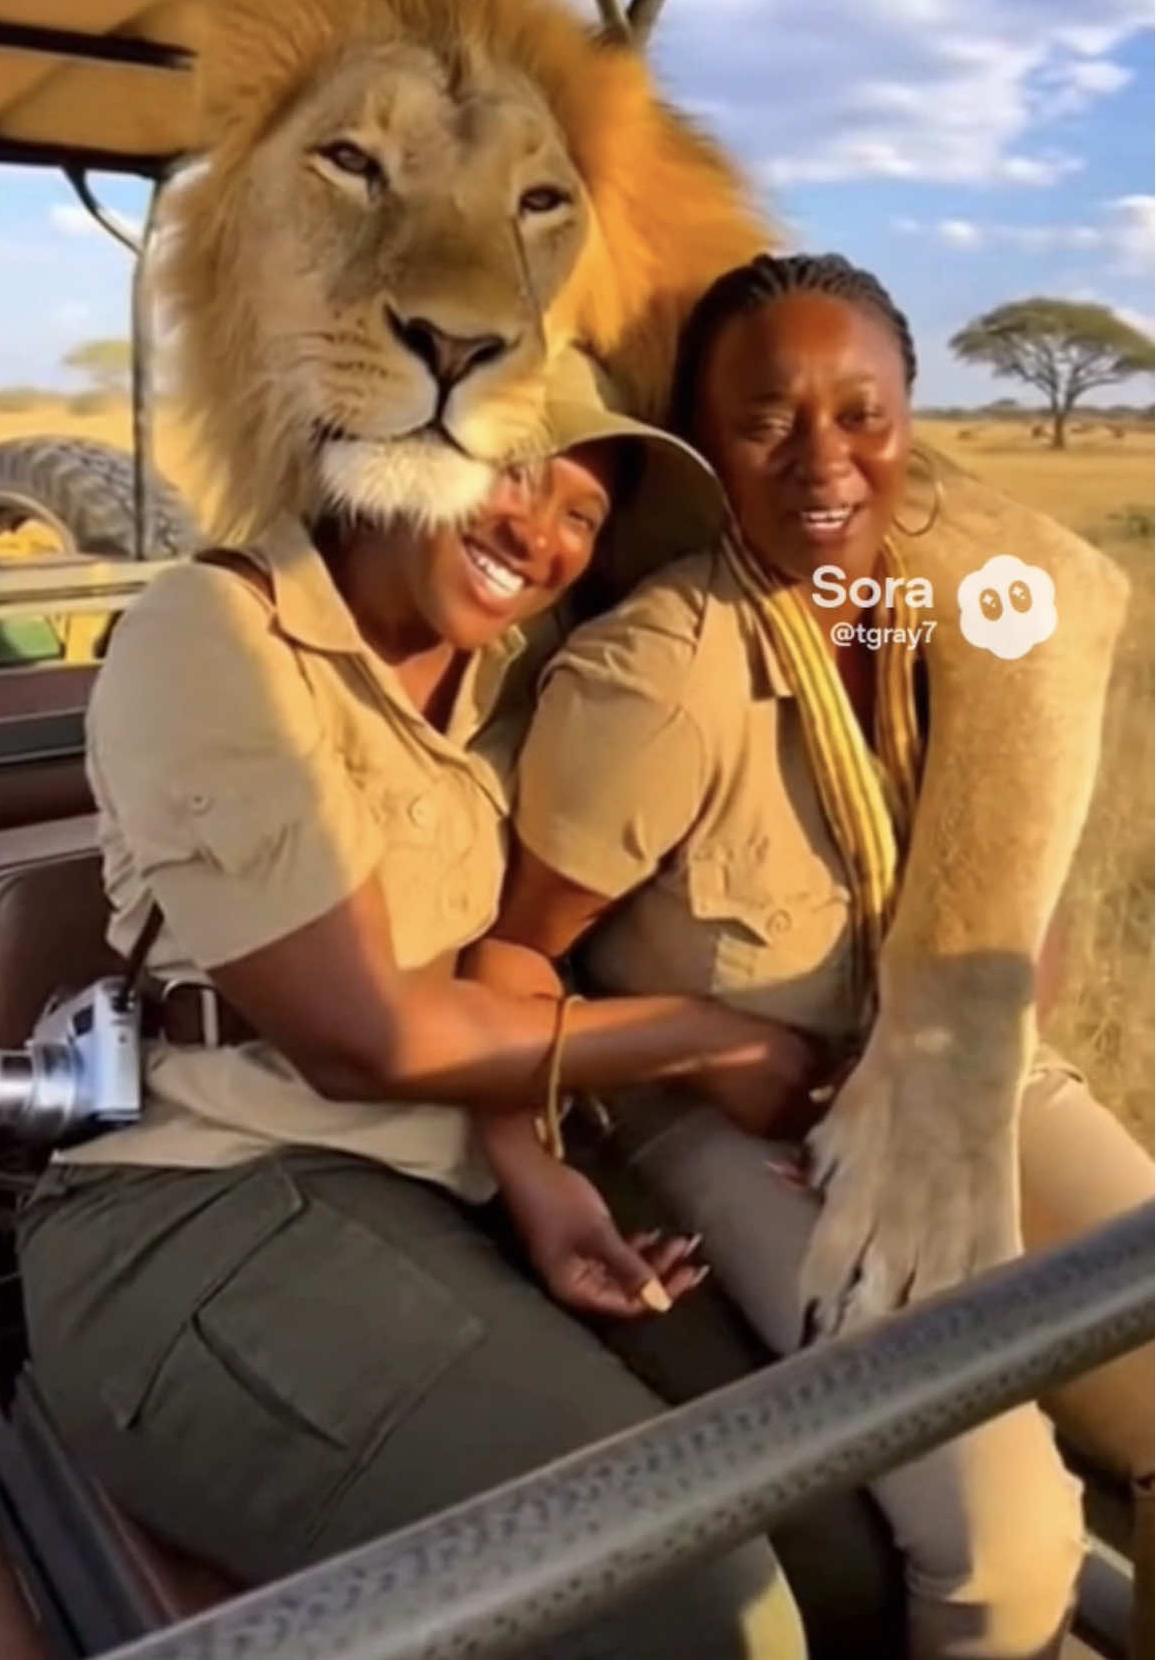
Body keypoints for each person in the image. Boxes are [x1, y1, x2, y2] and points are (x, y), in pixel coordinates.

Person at [17, 350, 811, 1660]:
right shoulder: (215, 631)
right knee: (691, 1592)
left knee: (829, 1510)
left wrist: (528, 1157)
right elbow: (364, 1031)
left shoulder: (512, 668)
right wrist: (705, 1035)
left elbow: (492, 953)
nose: (538, 534)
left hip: (441, 1188)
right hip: (200, 1206)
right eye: (510, 472)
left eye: (580, 513)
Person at [464, 254, 1155, 1660]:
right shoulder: (655, 679)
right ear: (704, 446)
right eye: (767, 420)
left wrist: (1005, 954)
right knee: (1004, 1539)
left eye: (864, 415)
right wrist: (581, 1135)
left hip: (960, 1073)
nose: (823, 462)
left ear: (915, 422)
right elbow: (513, 965)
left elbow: (1018, 890)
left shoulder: (946, 615)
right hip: (739, 1115)